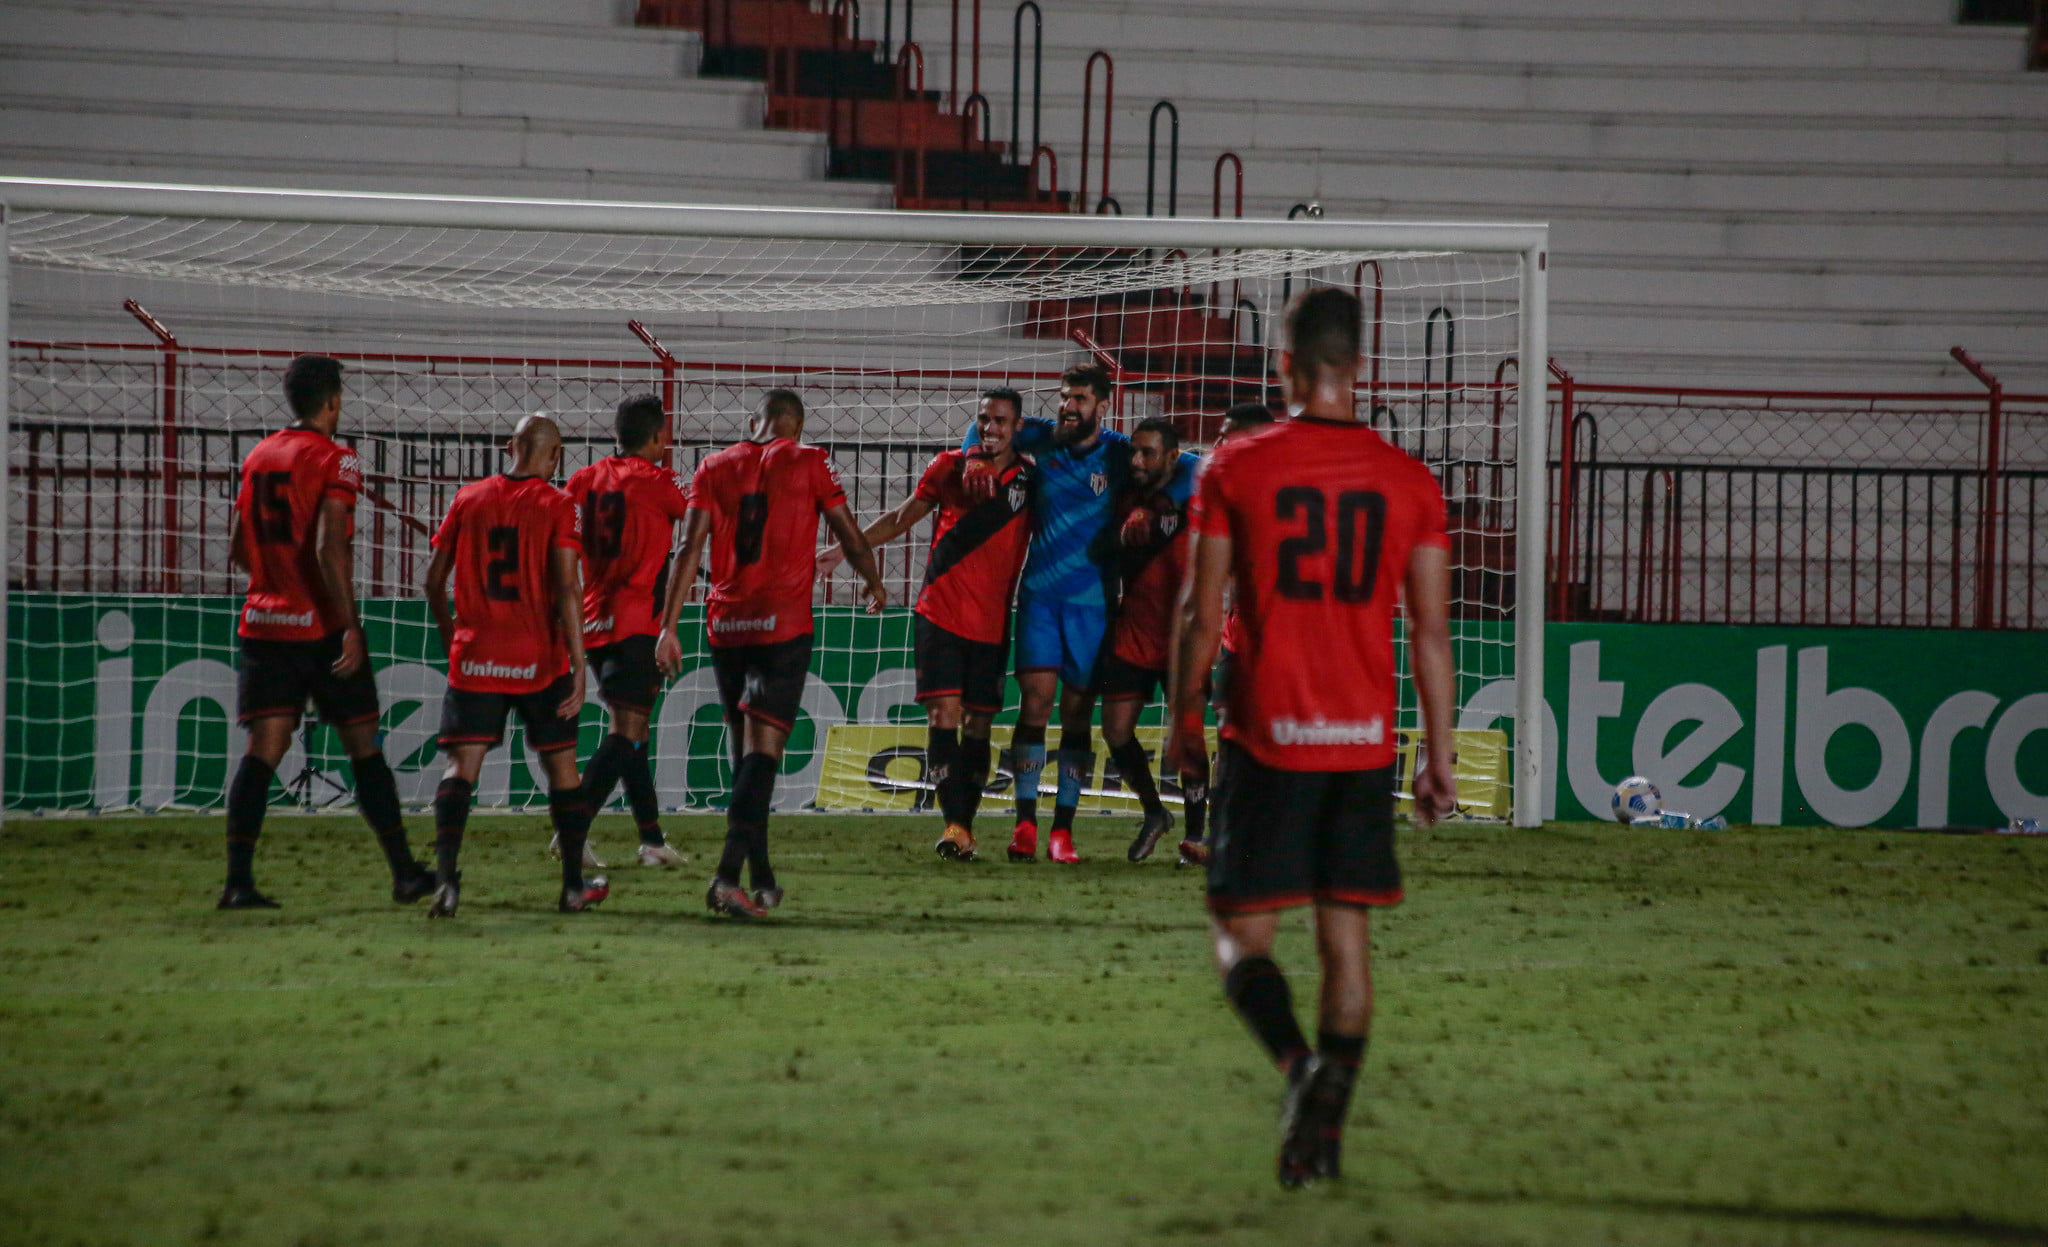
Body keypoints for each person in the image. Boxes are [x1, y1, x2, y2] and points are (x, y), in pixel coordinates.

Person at [1164, 289, 1457, 1189]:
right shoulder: (1410, 480)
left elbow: (1198, 612)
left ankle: (1301, 1072)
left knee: (1238, 934)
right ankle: (1325, 1135)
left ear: (1284, 365)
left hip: (1268, 737)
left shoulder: (1235, 465)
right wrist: (1437, 753)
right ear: (1359, 370)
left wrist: (1183, 719)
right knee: (1347, 945)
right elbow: (1431, 631)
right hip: (1363, 744)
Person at [218, 354, 436, 909]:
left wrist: (274, 580)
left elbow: (239, 546)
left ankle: (238, 882)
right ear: (333, 401)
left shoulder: (259, 456)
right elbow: (327, 549)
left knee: (263, 749)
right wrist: (348, 627)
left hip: (264, 623)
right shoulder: (337, 460)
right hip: (318, 628)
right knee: (363, 747)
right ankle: (405, 872)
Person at [662, 389, 886, 918]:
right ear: (798, 429)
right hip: (780, 626)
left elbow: (689, 549)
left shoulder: (713, 467)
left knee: (745, 756)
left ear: (753, 422)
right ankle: (724, 878)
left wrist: (667, 626)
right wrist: (874, 580)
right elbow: (847, 531)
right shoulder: (808, 461)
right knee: (763, 756)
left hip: (726, 625)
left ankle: (761, 877)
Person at [961, 364, 1196, 864]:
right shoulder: (1042, 438)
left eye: (1081, 399)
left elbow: (1193, 466)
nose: (1069, 406)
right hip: (1041, 599)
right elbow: (979, 425)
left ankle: (1062, 832)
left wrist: (1156, 508)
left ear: (1103, 405)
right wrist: (973, 458)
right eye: (1066, 397)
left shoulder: (1117, 452)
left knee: (1075, 715)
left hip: (1093, 605)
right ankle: (1025, 823)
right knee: (1035, 706)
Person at [836, 389, 1036, 862]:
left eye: (1001, 421)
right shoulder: (948, 467)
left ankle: (963, 823)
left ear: (1018, 426)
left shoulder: (1031, 479)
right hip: (939, 613)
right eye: (983, 420)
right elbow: (902, 517)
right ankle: (956, 826)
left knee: (979, 726)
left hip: (991, 622)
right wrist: (846, 547)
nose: (990, 428)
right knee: (943, 717)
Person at [421, 414, 604, 918]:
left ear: (509, 446)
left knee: (463, 766)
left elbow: (433, 582)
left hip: (476, 656)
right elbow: (568, 586)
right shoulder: (560, 505)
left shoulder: (468, 498)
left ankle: (447, 881)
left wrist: (448, 633)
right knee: (561, 767)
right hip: (538, 658)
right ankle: (571, 887)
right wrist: (580, 663)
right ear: (555, 455)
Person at [561, 394, 691, 870]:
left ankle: (652, 839)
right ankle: (571, 828)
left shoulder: (581, 480)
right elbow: (698, 521)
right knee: (627, 731)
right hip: (637, 623)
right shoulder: (661, 482)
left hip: (593, 623)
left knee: (635, 734)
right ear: (659, 436)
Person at [1170, 400, 1275, 869]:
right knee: (1231, 737)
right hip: (1238, 638)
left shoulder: (1291, 495)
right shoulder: (1223, 494)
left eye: (1226, 435)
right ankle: (1223, 840)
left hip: (1291, 644)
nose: (1216, 444)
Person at [1091, 417, 1196, 864]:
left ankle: (1197, 837)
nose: (1136, 460)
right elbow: (1099, 552)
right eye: (1134, 451)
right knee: (1115, 730)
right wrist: (1121, 534)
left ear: (1173, 456)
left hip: (1184, 635)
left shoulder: (1198, 495)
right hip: (1133, 628)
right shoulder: (1124, 496)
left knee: (1187, 738)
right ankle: (1155, 813)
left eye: (1148, 453)